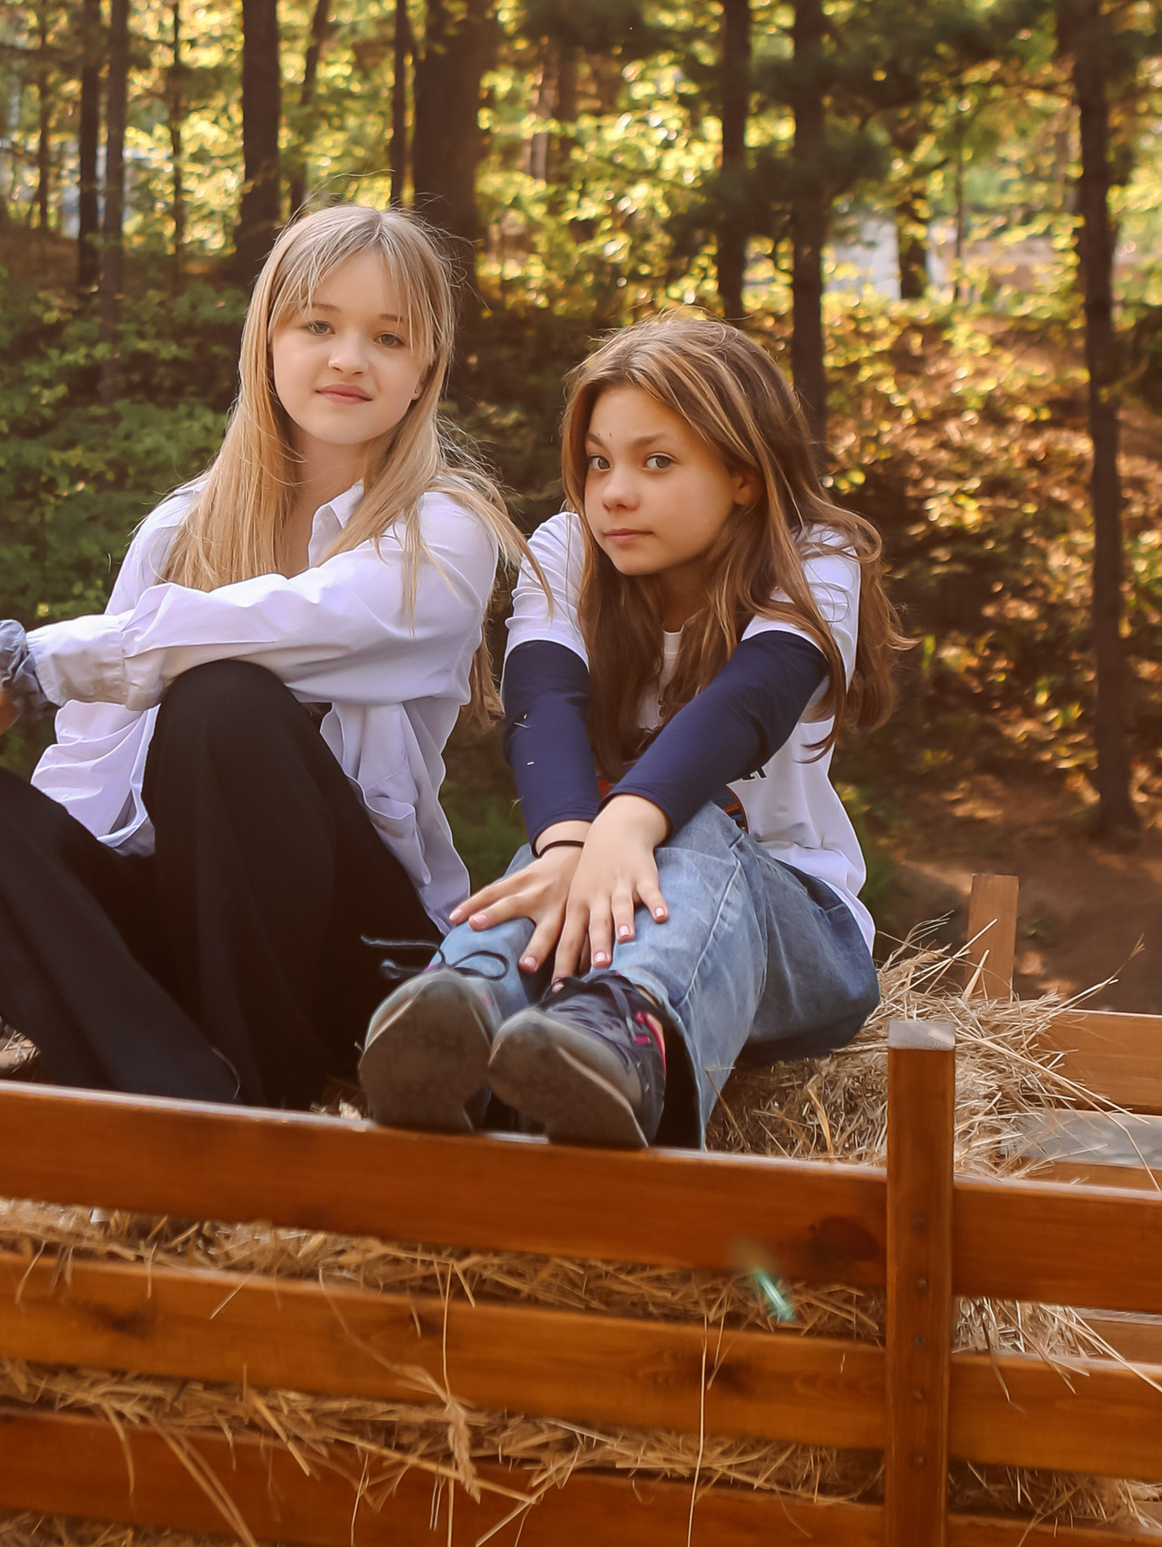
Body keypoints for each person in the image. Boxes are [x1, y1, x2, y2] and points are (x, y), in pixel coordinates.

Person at [0, 205, 519, 1109]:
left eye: (387, 337)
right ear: (266, 340)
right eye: (318, 325)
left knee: (224, 702)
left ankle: (253, 1092)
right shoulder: (178, 532)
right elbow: (90, 764)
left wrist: (35, 662)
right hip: (184, 940)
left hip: (352, 956)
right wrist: (12, 951)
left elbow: (299, 621)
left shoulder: (445, 532)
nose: (349, 357)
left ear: (425, 367)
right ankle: (183, 1092)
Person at [358, 315, 892, 1150]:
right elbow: (545, 707)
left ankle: (623, 1041)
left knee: (694, 822)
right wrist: (571, 845)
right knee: (545, 863)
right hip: (594, 900)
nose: (613, 492)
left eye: (657, 462)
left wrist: (625, 821)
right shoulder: (569, 548)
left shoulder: (815, 556)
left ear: (744, 476)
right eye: (599, 461)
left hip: (791, 935)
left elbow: (750, 702)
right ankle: (461, 1006)